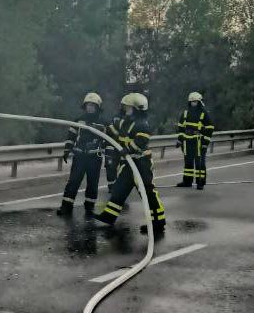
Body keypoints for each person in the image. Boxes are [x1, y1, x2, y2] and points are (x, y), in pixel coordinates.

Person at [94, 92, 165, 234]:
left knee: (147, 192)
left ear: (137, 109)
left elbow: (141, 140)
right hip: (128, 163)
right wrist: (105, 128)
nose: (125, 110)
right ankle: (109, 216)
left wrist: (126, 149)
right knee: (119, 189)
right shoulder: (125, 122)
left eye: (128, 108)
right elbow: (116, 132)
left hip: (141, 163)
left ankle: (158, 221)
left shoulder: (142, 124)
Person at [57, 92, 106, 215]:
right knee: (73, 181)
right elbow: (71, 136)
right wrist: (67, 150)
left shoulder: (103, 123)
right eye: (88, 105)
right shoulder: (78, 120)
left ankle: (89, 207)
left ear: (97, 107)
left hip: (95, 157)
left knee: (92, 183)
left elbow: (108, 139)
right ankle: (66, 206)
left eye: (92, 105)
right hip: (79, 156)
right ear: (85, 106)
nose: (90, 107)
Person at [176, 91, 215, 189]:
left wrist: (205, 142)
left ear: (199, 102)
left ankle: (200, 182)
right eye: (192, 102)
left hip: (199, 142)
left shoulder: (204, 113)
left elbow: (210, 128)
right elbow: (180, 128)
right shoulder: (185, 113)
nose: (194, 103)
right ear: (189, 102)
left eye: (196, 102)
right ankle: (187, 182)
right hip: (187, 142)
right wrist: (180, 140)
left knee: (199, 163)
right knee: (188, 162)